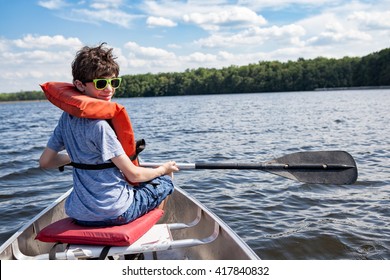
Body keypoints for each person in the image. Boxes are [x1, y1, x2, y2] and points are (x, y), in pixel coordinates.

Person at [39, 43, 179, 227]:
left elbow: (46, 162)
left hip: (79, 213)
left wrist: (77, 157)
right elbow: (134, 175)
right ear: (80, 85)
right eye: (101, 83)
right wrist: (163, 169)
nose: (109, 89)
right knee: (164, 182)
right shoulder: (100, 127)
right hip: (115, 212)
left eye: (114, 82)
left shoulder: (66, 119)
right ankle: (145, 235)